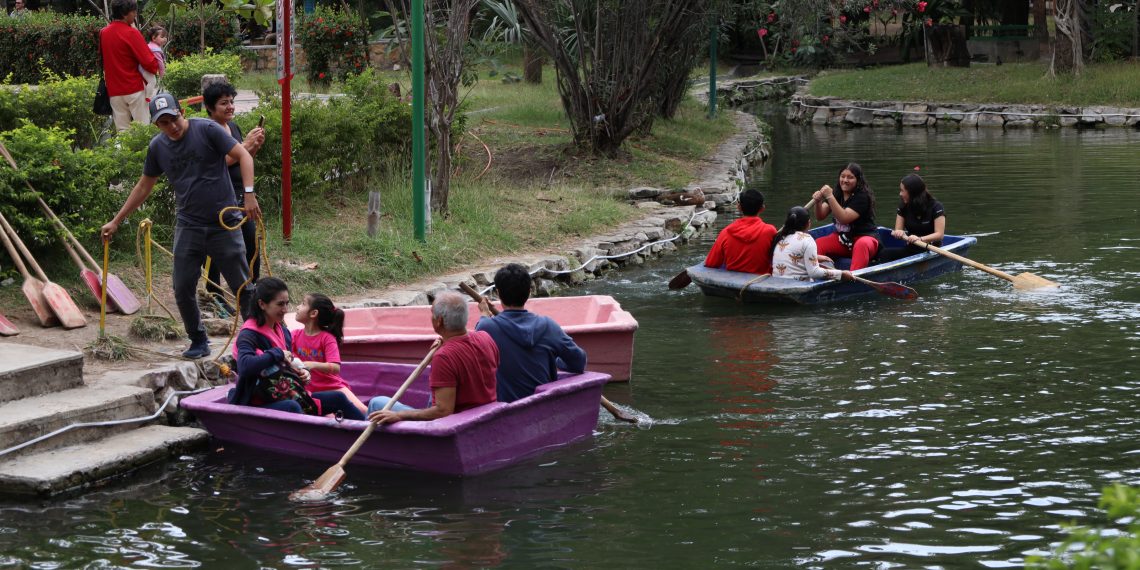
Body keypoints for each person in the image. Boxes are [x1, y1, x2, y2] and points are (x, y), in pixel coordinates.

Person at [101, 93, 262, 358]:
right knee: (182, 285)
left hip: (224, 223)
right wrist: (117, 220)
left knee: (243, 286)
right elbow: (144, 185)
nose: (172, 126)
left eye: (174, 119)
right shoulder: (158, 147)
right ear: (157, 125)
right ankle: (198, 339)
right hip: (189, 225)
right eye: (164, 123)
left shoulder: (207, 129)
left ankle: (253, 340)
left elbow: (243, 155)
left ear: (182, 114)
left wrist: (248, 194)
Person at [228, 278, 365, 419]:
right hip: (258, 399)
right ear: (262, 304)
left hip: (287, 394)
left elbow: (288, 361)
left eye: (287, 303)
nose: (286, 310)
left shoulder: (283, 331)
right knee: (292, 407)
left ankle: (369, 434)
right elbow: (244, 366)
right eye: (280, 304)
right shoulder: (249, 334)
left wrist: (303, 371)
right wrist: (277, 353)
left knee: (338, 398)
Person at [367, 292, 499, 425]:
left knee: (377, 404)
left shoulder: (444, 356)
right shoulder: (485, 338)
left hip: (456, 426)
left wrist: (399, 415)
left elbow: (443, 411)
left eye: (432, 313)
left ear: (439, 320)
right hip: (483, 418)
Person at [475, 263, 587, 403]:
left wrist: (485, 314)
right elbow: (579, 362)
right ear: (529, 291)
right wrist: (557, 361)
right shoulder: (548, 326)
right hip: (544, 407)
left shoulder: (487, 327)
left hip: (507, 411)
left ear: (498, 292)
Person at [202, 81, 266, 310]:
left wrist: (253, 146)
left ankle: (253, 291)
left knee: (251, 244)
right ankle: (213, 294)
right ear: (210, 108)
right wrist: (245, 144)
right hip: (221, 198)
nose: (229, 107)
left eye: (231, 102)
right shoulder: (208, 131)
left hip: (241, 195)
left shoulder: (234, 127)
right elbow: (217, 165)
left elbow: (242, 159)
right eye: (223, 103)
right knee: (221, 248)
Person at [291, 293, 368, 414]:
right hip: (309, 389)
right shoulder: (294, 335)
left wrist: (313, 365)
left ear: (313, 313)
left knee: (363, 411)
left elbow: (335, 367)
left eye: (303, 304)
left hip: (333, 386)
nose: (297, 307)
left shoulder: (327, 338)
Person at [99, 0, 160, 131]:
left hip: (114, 90)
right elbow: (149, 62)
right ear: (125, 13)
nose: (135, 15)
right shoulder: (131, 32)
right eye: (134, 12)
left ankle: (123, 152)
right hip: (134, 88)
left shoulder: (103, 33)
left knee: (122, 132)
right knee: (142, 130)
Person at [812, 162, 880, 270]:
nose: (845, 180)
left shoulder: (862, 197)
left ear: (858, 180)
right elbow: (820, 216)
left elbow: (844, 218)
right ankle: (822, 273)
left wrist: (829, 196)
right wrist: (818, 202)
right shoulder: (837, 193)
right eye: (842, 176)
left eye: (850, 177)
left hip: (865, 238)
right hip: (844, 240)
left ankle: (853, 278)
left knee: (861, 244)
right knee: (818, 244)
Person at [703, 188, 778, 274]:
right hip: (761, 281)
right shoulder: (770, 231)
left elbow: (710, 264)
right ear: (762, 208)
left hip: (731, 282)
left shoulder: (725, 232)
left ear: (739, 207)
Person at [770, 206, 854, 282]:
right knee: (828, 264)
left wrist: (816, 257)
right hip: (799, 284)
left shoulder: (780, 237)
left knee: (824, 261)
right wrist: (841, 274)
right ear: (808, 223)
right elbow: (814, 272)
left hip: (778, 282)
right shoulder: (807, 239)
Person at [886, 173, 946, 260]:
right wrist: (899, 232)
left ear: (912, 192)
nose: (900, 194)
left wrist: (920, 239)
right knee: (884, 254)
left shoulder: (936, 207)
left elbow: (939, 235)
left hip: (932, 249)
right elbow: (898, 229)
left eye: (902, 191)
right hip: (912, 249)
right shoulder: (903, 206)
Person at [140, 26, 168, 101]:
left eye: (165, 36)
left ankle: (147, 95)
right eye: (162, 37)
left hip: (143, 68)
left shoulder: (151, 45)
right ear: (154, 38)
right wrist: (162, 74)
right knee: (152, 81)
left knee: (148, 82)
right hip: (144, 69)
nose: (165, 38)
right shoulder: (155, 50)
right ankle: (148, 97)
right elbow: (160, 63)